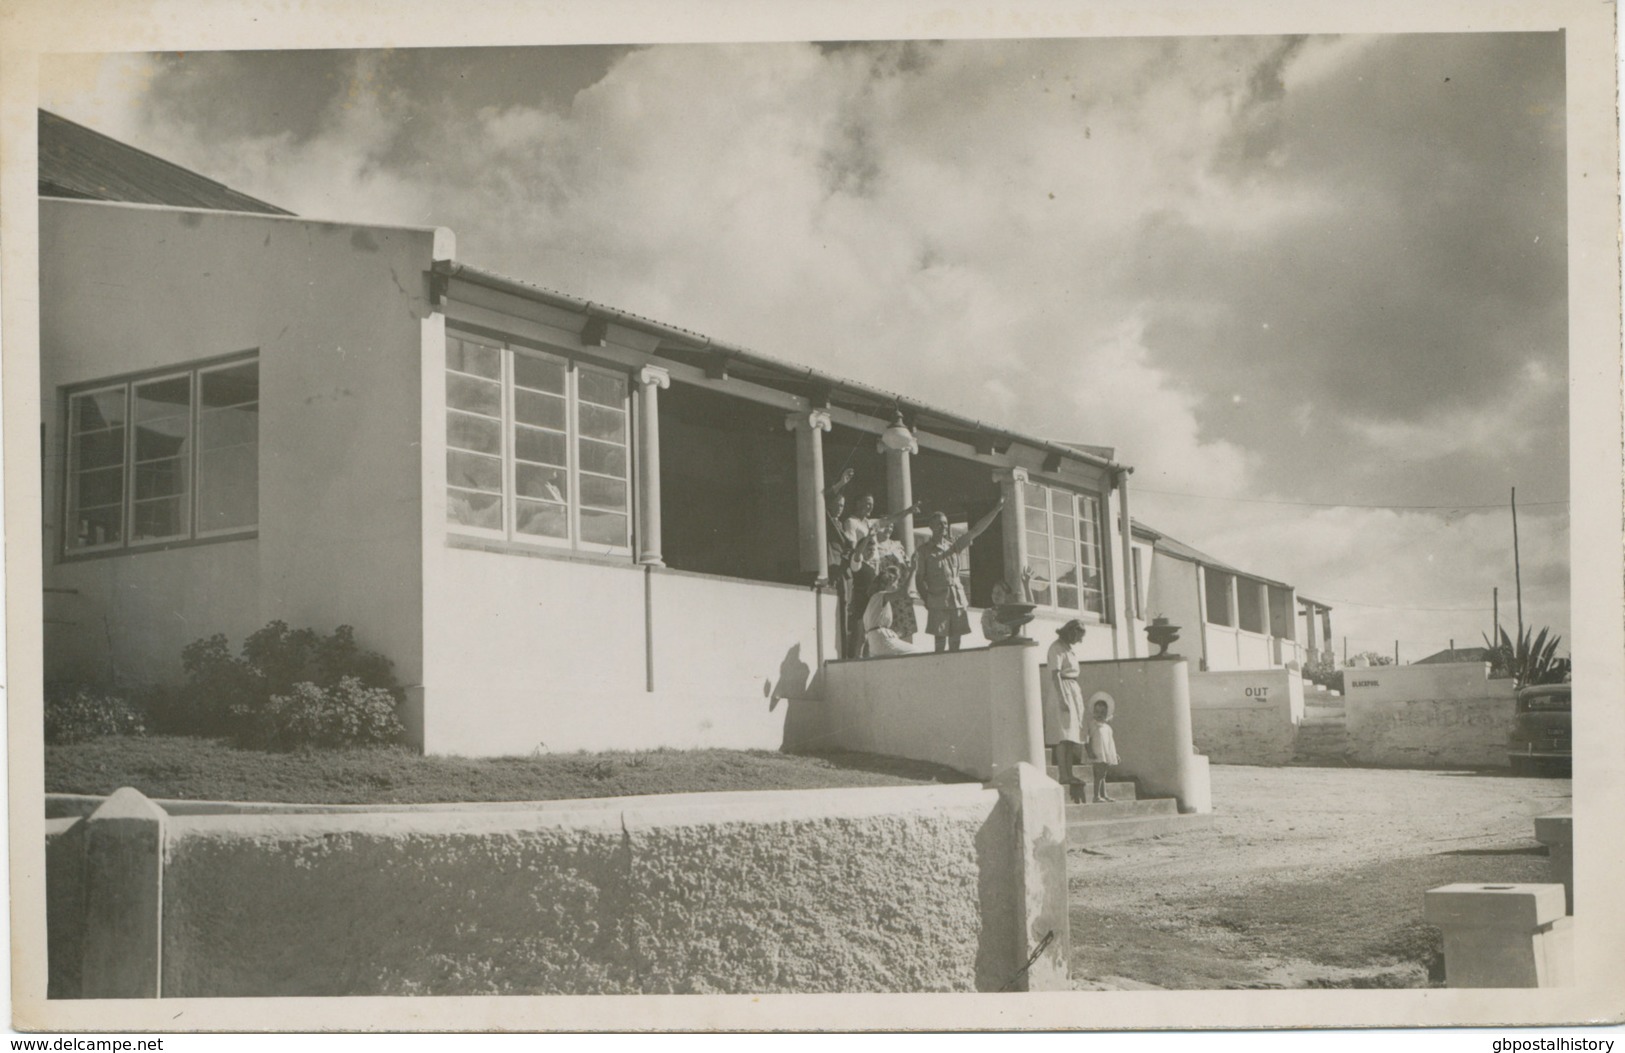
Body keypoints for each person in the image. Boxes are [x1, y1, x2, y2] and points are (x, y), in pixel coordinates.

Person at [916, 497, 1005, 652]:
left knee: (956, 643)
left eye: (945, 523)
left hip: (957, 599)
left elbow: (976, 530)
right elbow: (919, 580)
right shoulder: (924, 551)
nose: (943, 526)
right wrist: (927, 600)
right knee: (939, 644)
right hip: (937, 600)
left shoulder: (954, 546)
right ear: (931, 526)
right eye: (939, 523)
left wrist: (996, 510)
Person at [1047, 619, 1089, 788]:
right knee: (1063, 736)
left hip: (1072, 689)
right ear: (1071, 631)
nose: (1079, 640)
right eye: (1078, 636)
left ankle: (1069, 774)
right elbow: (1055, 674)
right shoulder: (1056, 647)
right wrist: (1063, 698)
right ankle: (1063, 775)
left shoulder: (1068, 648)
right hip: (1062, 690)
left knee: (1072, 736)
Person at [862, 565, 915, 657]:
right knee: (918, 652)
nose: (897, 585)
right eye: (896, 582)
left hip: (874, 642)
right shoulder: (881, 595)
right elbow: (904, 592)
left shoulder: (874, 600)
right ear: (890, 583)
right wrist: (912, 571)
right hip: (883, 640)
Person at [1086, 695, 1120, 803]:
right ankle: (1096, 796)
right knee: (1098, 774)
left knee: (1103, 775)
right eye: (1097, 712)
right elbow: (1087, 739)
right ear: (1093, 712)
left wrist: (1114, 754)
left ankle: (1103, 794)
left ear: (1107, 714)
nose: (1100, 715)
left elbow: (1110, 743)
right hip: (1097, 753)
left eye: (1103, 712)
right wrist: (1089, 751)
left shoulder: (1107, 728)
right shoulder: (1092, 725)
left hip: (1105, 754)